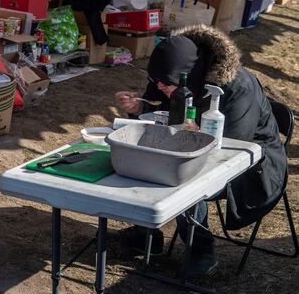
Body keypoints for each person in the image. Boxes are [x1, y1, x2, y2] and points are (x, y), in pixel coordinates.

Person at [114, 25, 287, 278]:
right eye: (156, 81)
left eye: (166, 83)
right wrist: (136, 107)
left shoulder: (237, 86)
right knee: (143, 159)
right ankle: (147, 234)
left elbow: (232, 148)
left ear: (188, 74)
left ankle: (201, 251)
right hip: (193, 147)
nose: (160, 86)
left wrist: (194, 131)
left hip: (253, 164)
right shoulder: (169, 75)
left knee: (185, 176)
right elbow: (157, 112)